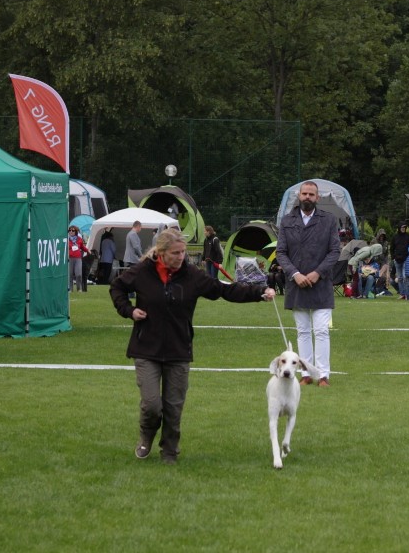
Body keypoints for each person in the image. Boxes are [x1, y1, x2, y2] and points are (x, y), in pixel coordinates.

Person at [110, 228, 275, 464]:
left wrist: (259, 293)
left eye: (183, 253)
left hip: (179, 349)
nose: (181, 257)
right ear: (162, 252)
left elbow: (224, 290)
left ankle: (169, 451)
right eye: (176, 253)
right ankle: (146, 436)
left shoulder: (191, 275)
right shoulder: (142, 271)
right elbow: (117, 287)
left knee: (174, 407)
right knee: (152, 405)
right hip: (146, 348)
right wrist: (128, 310)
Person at [276, 180, 341, 387]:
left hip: (321, 284)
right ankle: (305, 374)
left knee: (321, 331)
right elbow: (280, 253)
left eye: (311, 194)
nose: (307, 197)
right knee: (302, 331)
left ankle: (322, 375)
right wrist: (294, 273)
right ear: (299, 196)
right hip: (296, 284)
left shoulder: (329, 220)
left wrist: (317, 273)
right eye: (304, 194)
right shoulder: (287, 221)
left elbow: (334, 251)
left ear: (317, 198)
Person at [391, 222, 409, 298]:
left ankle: (407, 293)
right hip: (397, 260)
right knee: (400, 278)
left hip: (406, 259)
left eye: (404, 228)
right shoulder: (395, 237)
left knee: (405, 277)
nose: (403, 229)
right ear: (399, 228)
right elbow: (392, 248)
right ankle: (402, 294)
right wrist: (393, 257)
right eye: (402, 227)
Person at [67, 225, 89, 292]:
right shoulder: (67, 240)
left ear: (76, 232)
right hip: (70, 258)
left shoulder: (79, 239)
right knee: (70, 274)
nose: (71, 231)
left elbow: (82, 247)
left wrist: (88, 250)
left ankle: (79, 288)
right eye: (69, 230)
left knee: (78, 274)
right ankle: (70, 289)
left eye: (73, 230)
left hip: (78, 258)